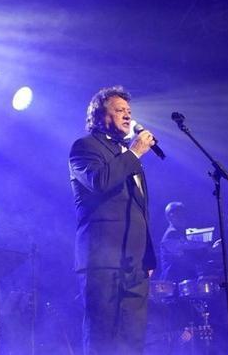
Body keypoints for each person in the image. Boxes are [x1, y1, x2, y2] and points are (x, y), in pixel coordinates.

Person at [68, 85, 158, 354]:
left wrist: (148, 256)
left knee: (133, 340)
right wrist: (134, 153)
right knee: (103, 338)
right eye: (120, 110)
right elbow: (100, 181)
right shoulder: (84, 147)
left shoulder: (127, 156)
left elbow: (139, 211)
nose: (128, 116)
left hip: (135, 264)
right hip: (102, 262)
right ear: (99, 116)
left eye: (129, 111)